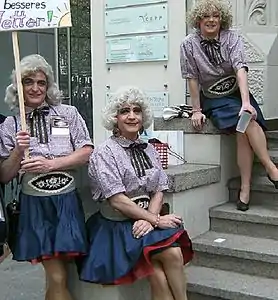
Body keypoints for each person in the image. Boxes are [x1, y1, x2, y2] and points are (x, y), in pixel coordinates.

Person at [77, 86, 193, 300]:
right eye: (125, 111)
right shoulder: (104, 151)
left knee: (174, 253)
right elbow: (117, 200)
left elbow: (159, 188)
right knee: (156, 273)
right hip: (116, 226)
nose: (132, 116)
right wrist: (156, 220)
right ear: (115, 118)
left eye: (136, 111)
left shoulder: (148, 148)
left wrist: (151, 220)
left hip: (145, 220)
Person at [0, 54, 93, 300]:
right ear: (17, 88)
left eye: (41, 82)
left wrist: (51, 164)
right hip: (35, 206)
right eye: (28, 82)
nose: (35, 88)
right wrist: (18, 151)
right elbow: (5, 175)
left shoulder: (68, 113)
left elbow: (86, 152)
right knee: (57, 276)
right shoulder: (10, 125)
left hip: (67, 202)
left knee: (61, 274)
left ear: (48, 85)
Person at [180, 0, 278, 211]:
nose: (211, 20)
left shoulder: (232, 37)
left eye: (215, 16)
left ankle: (245, 187)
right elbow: (192, 79)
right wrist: (196, 110)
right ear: (198, 20)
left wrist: (245, 102)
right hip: (214, 98)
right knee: (246, 123)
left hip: (236, 93)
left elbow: (240, 69)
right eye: (206, 16)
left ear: (221, 19)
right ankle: (272, 170)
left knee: (243, 125)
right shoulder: (188, 44)